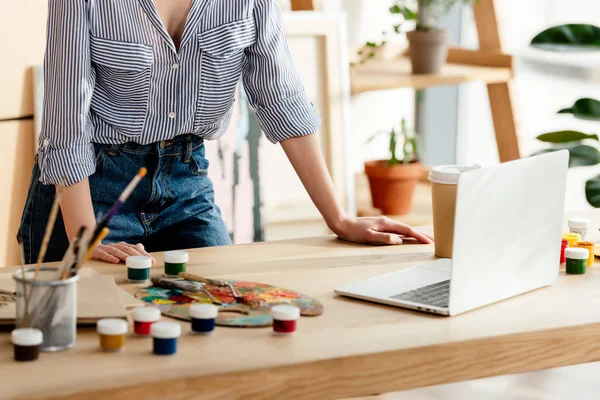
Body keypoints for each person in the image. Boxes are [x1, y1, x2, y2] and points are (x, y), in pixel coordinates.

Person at [18, 0, 433, 265]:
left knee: (223, 322)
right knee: (82, 347)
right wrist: (85, 236)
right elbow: (64, 119)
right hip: (91, 190)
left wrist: (338, 218)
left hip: (185, 183)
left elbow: (281, 98)